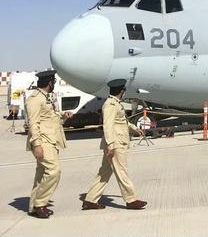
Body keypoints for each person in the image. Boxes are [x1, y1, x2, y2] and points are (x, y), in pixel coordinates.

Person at [82, 79, 147, 210]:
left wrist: (133, 128)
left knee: (104, 173)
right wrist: (111, 145)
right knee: (122, 171)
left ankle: (90, 200)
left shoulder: (115, 103)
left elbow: (121, 121)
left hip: (116, 142)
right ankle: (131, 199)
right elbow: (108, 126)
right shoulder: (110, 104)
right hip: (115, 143)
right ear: (121, 92)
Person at [25, 69, 72, 219]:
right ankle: (40, 203)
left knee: (41, 175)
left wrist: (64, 116)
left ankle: (33, 207)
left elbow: (52, 119)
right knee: (54, 171)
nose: (55, 84)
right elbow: (33, 123)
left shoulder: (48, 97)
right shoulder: (35, 99)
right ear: (50, 83)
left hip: (51, 140)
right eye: (54, 82)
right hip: (42, 141)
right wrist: (37, 145)